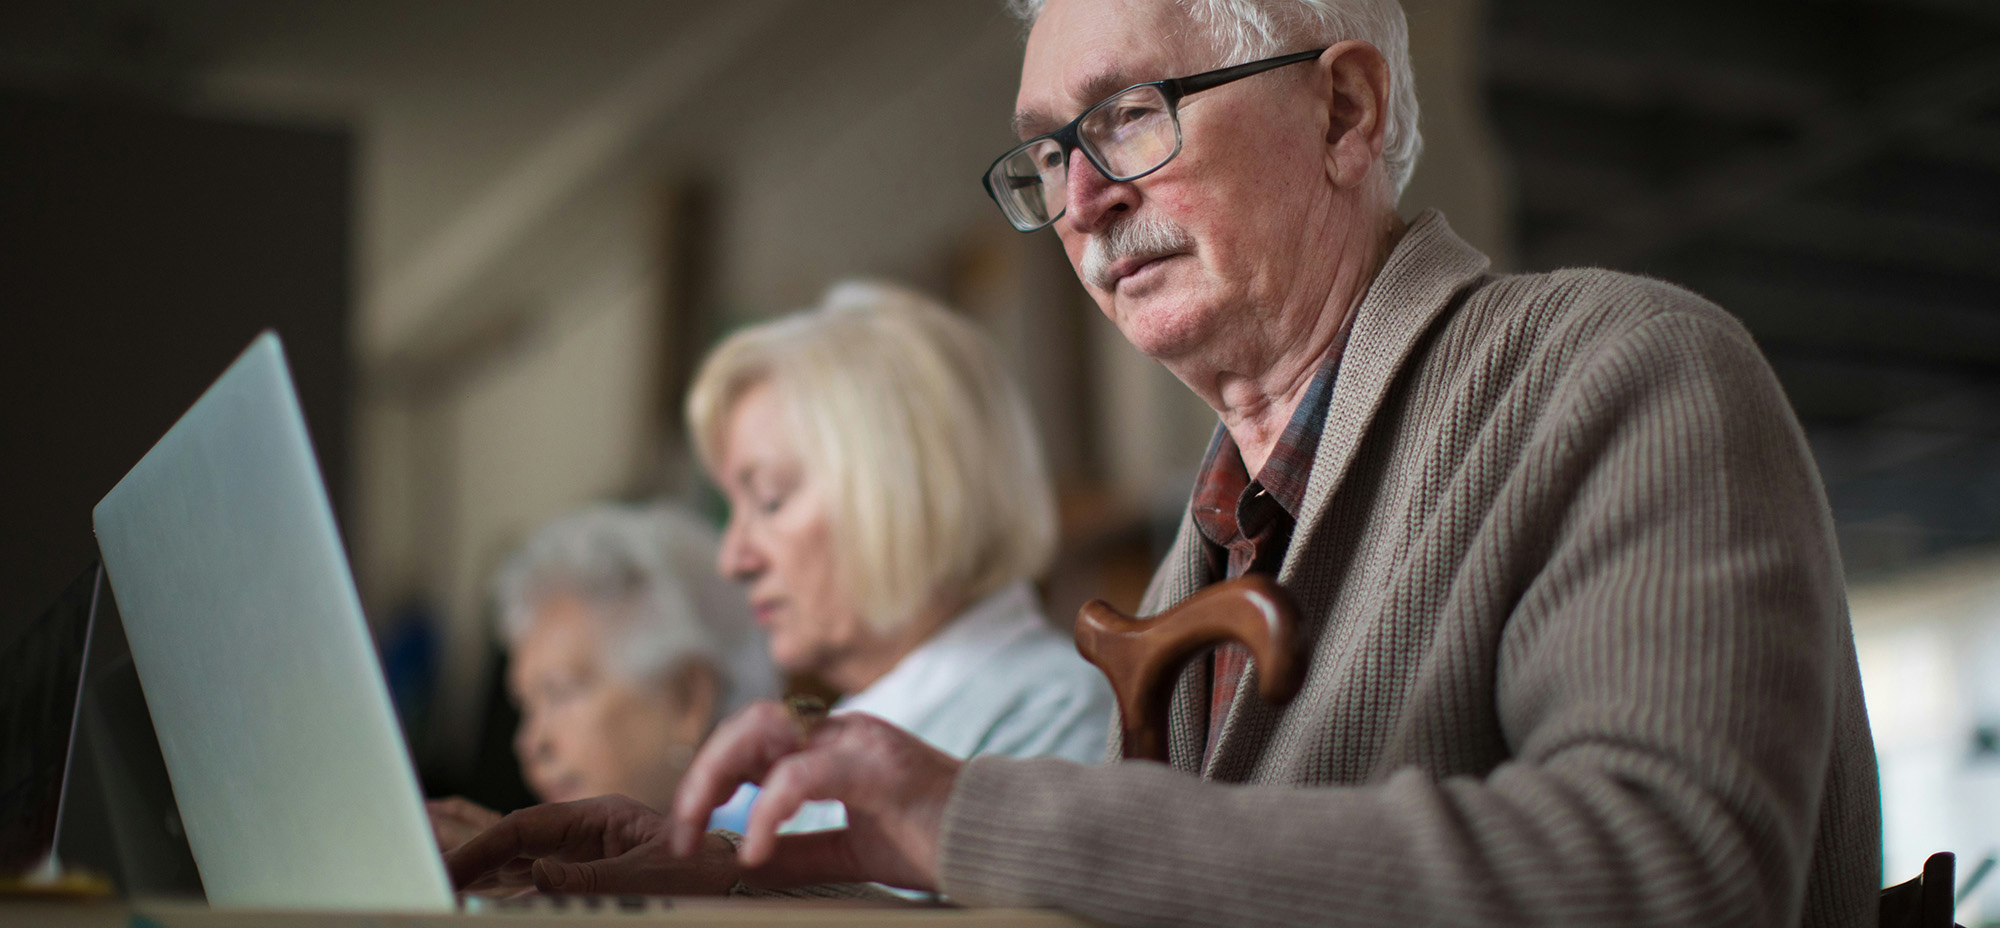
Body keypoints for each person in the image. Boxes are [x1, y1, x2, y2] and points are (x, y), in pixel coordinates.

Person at [447, 0, 1882, 924]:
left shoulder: (1623, 368)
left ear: (1344, 113)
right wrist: (723, 869)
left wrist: (964, 813)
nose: (1078, 202)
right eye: (1045, 154)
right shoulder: (1220, 525)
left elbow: (1669, 875)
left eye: (1129, 116)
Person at [683, 281, 1114, 832]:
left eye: (769, 499)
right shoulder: (833, 739)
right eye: (732, 509)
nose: (732, 559)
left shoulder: (1054, 719)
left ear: (900, 492)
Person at [426, 504, 775, 851]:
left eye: (560, 693)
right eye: (526, 708)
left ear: (688, 700)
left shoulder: (783, 840)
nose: (531, 744)